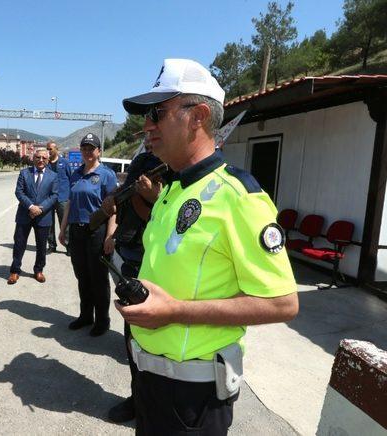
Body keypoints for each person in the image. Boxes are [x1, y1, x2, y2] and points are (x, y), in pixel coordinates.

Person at [115, 58, 299, 435]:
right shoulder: (173, 190)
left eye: (156, 113)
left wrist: (175, 311)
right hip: (150, 381)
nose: (146, 126)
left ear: (197, 116)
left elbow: (282, 303)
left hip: (192, 400)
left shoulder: (239, 197)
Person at [101, 140, 163, 424]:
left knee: (158, 347)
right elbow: (124, 199)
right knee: (133, 343)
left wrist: (153, 199)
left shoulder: (180, 168)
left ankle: (152, 404)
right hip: (131, 260)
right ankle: (138, 400)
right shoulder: (142, 161)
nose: (150, 133)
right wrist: (113, 199)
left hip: (160, 266)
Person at [59, 133, 117, 337]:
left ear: (99, 151)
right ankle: (86, 315)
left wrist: (110, 236)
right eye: (84, 148)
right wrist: (63, 228)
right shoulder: (76, 174)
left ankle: (103, 320)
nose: (87, 152)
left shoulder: (106, 175)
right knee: (82, 275)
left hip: (96, 232)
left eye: (91, 148)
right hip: (76, 231)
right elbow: (69, 204)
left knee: (98, 278)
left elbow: (113, 209)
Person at [7, 148, 58, 285]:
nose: (41, 160)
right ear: (33, 158)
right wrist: (31, 207)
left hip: (44, 216)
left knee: (41, 246)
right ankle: (15, 270)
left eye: (44, 158)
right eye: (38, 157)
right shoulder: (24, 173)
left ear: (47, 160)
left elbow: (54, 195)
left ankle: (38, 270)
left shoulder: (53, 176)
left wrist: (40, 209)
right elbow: (19, 192)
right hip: (25, 214)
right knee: (19, 244)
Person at [45, 141, 71, 254]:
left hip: (63, 197)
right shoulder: (46, 164)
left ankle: (68, 246)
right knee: (49, 223)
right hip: (49, 198)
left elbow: (71, 178)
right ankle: (51, 245)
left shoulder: (64, 162)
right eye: (47, 149)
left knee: (64, 223)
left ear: (56, 149)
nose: (48, 151)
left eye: (50, 149)